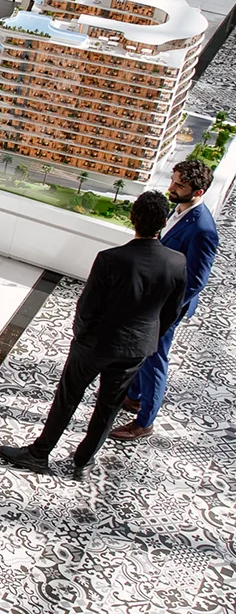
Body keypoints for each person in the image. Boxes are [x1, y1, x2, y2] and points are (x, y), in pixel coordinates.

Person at [0, 191, 186, 479]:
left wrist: (81, 334)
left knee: (68, 397)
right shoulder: (177, 262)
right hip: (136, 348)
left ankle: (40, 453)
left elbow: (87, 306)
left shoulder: (111, 259)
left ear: (132, 219)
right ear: (163, 222)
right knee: (109, 406)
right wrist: (148, 336)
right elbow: (172, 312)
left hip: (96, 344)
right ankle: (83, 461)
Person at [112, 160, 220, 441]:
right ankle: (134, 396)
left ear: (198, 192)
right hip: (154, 299)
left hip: (168, 307)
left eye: (179, 185)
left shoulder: (203, 230)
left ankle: (145, 421)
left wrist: (164, 308)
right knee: (145, 353)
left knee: (154, 359)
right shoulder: (177, 209)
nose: (171, 187)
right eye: (173, 180)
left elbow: (196, 280)